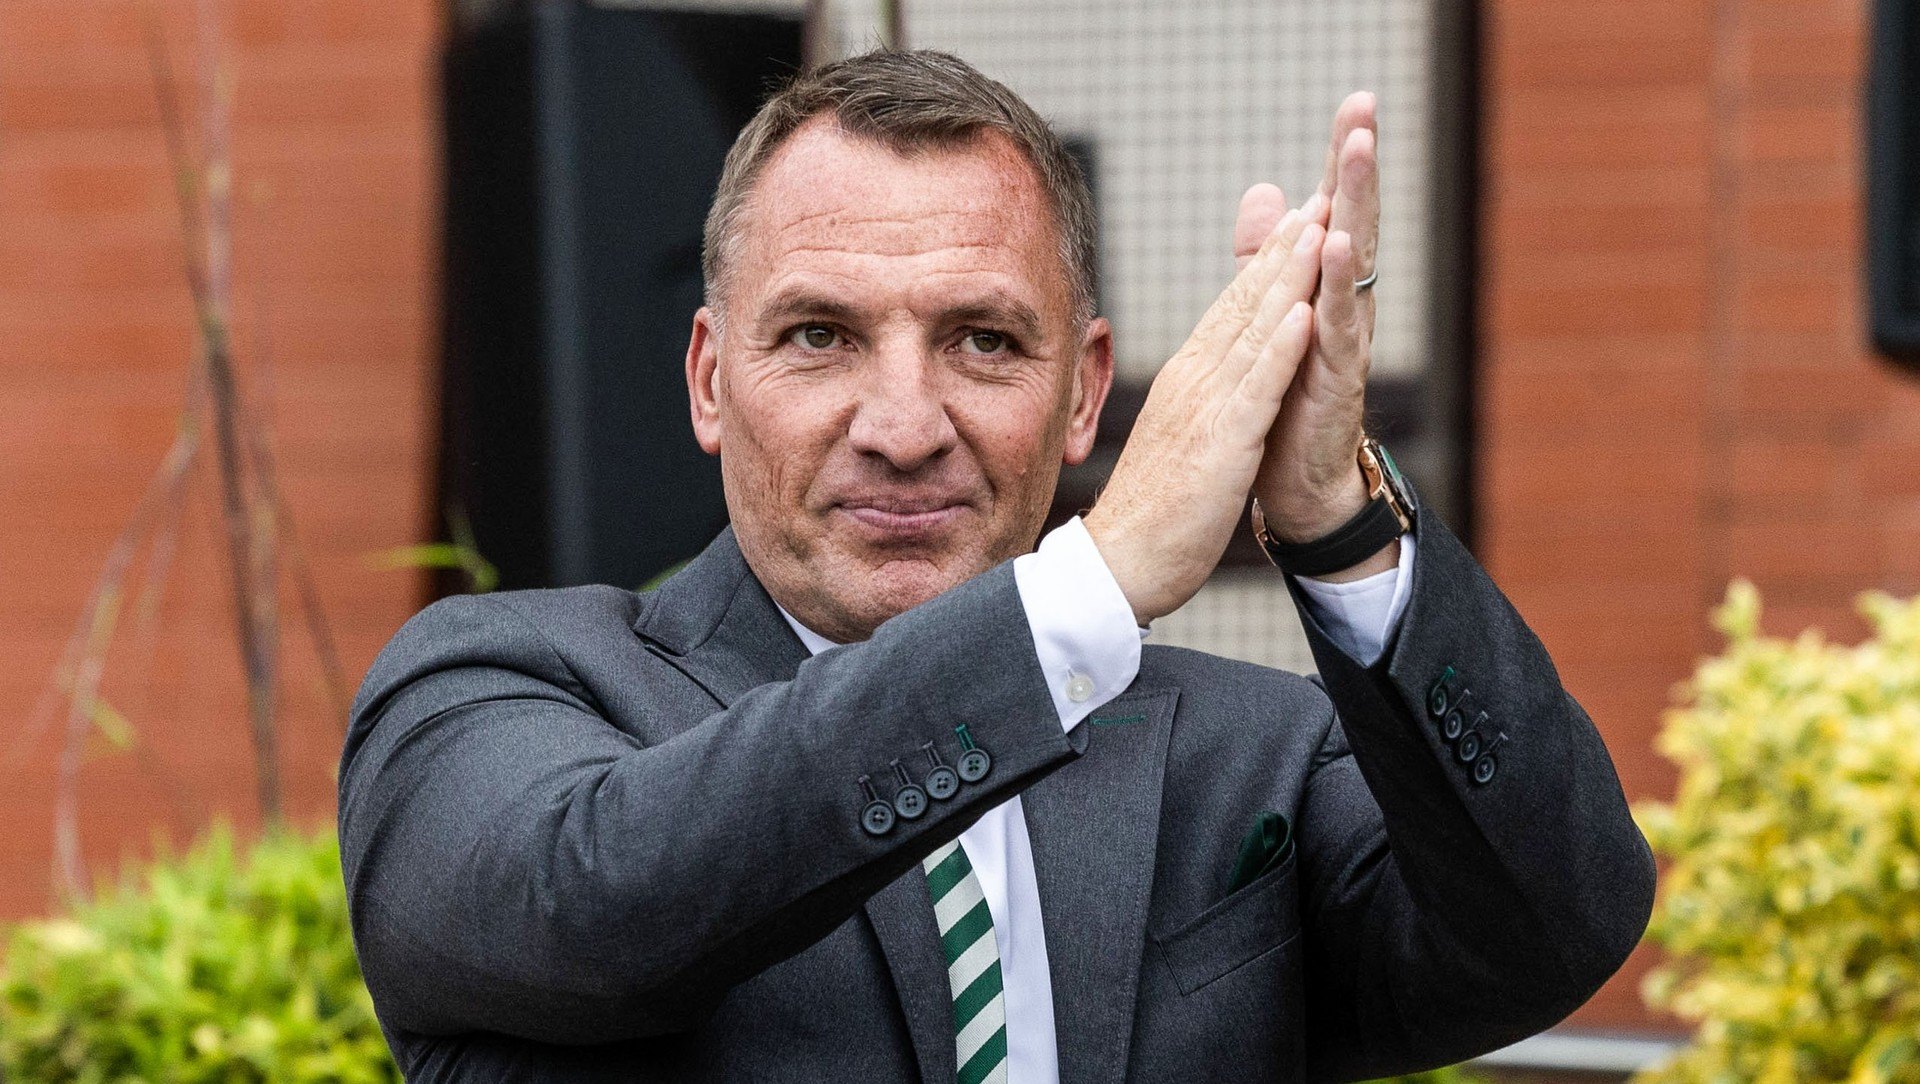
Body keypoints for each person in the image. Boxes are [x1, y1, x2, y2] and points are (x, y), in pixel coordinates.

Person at [339, 49, 1654, 1084]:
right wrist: (1099, 580)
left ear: (1085, 394)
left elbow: (1557, 923)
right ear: (709, 381)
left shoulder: (1243, 760)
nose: (904, 426)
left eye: (981, 342)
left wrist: (1335, 520)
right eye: (818, 336)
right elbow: (597, 910)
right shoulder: (502, 695)